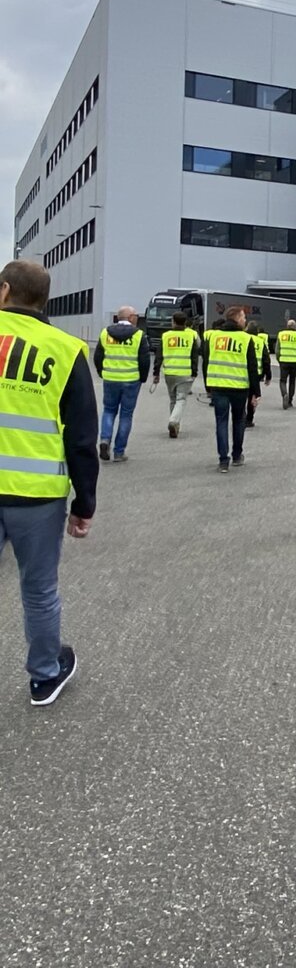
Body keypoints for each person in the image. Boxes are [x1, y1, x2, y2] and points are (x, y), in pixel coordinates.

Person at [0, 259, 98, 706]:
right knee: (38, 590)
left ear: (5, 291)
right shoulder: (65, 349)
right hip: (36, 496)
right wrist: (85, 503)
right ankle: (44, 675)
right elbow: (81, 437)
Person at [202, 305, 259, 472]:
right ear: (237, 319)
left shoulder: (213, 337)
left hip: (218, 386)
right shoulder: (245, 338)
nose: (245, 320)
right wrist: (255, 392)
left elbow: (206, 362)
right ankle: (237, 455)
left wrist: (208, 386)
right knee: (239, 420)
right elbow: (252, 367)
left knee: (221, 422)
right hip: (239, 387)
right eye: (243, 317)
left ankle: (223, 460)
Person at [93, 304, 150, 462]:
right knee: (126, 415)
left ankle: (105, 440)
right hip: (131, 380)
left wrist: (101, 372)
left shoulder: (105, 333)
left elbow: (98, 356)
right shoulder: (139, 335)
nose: (137, 318)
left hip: (110, 378)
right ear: (130, 318)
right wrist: (143, 378)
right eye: (136, 316)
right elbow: (144, 360)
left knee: (109, 411)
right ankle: (119, 452)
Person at [152, 311, 200, 438]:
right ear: (185, 322)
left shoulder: (166, 336)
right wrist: (194, 372)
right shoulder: (191, 336)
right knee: (181, 399)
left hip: (169, 373)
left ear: (173, 321)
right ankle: (174, 421)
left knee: (173, 399)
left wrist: (156, 373)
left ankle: (174, 425)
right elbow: (194, 356)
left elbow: (159, 356)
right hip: (185, 373)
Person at [244, 321, 271, 427]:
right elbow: (266, 360)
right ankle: (249, 419)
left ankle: (240, 417)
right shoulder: (260, 342)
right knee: (252, 396)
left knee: (241, 397)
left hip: (242, 372)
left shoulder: (243, 339)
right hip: (256, 374)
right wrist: (268, 375)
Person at [276, 319, 296, 409]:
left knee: (282, 381)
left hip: (284, 361)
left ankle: (284, 394)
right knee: (292, 381)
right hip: (295, 362)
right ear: (295, 327)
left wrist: (279, 359)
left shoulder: (281, 334)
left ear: (287, 326)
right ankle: (290, 400)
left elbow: (277, 350)